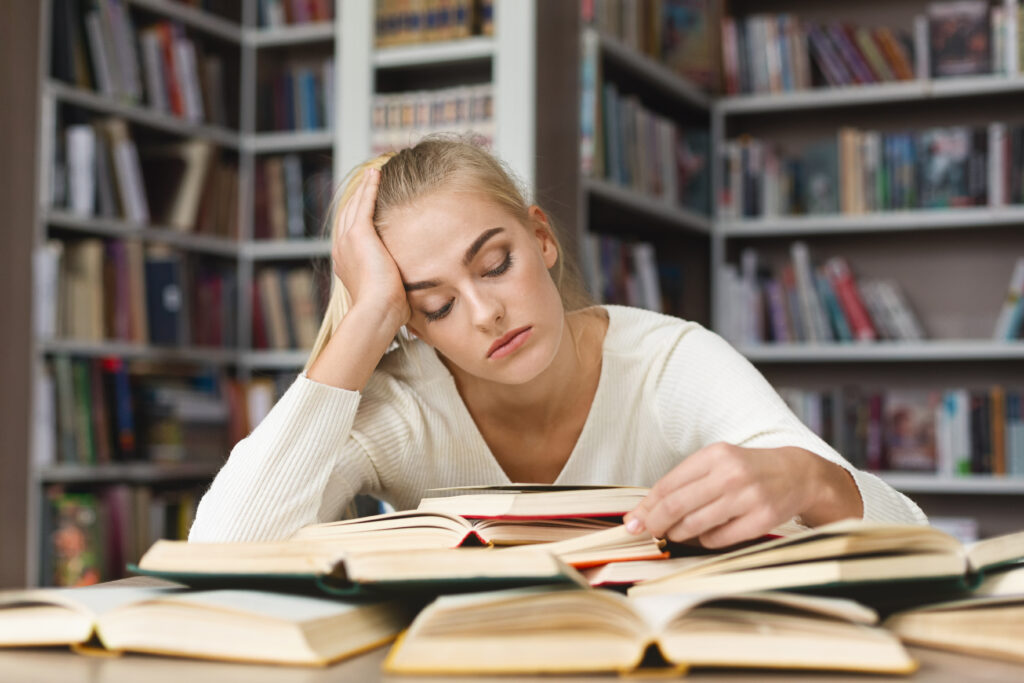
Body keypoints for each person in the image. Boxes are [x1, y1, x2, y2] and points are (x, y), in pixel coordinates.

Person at [188, 137, 926, 547]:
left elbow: (913, 535)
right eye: (435, 303)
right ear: (409, 323)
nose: (483, 313)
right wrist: (364, 319)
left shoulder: (670, 363)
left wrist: (808, 480)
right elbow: (224, 544)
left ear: (540, 238)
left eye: (496, 263)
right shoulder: (403, 404)